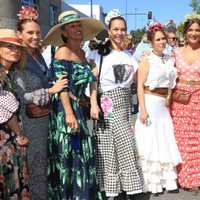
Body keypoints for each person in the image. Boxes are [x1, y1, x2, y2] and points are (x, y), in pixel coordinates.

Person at [43, 10, 105, 199]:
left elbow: (92, 80)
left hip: (77, 107)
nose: (77, 29)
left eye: (79, 25)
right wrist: (69, 113)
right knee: (71, 152)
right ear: (64, 32)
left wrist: (93, 103)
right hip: (65, 109)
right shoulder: (63, 51)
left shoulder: (83, 53)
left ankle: (81, 194)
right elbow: (62, 86)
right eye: (72, 26)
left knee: (80, 152)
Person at [11, 6, 68, 200]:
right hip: (30, 122)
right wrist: (50, 91)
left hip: (44, 119)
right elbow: (20, 96)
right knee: (35, 166)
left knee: (42, 164)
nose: (35, 36)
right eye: (30, 33)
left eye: (37, 32)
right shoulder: (18, 58)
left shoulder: (37, 55)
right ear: (19, 34)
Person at [88, 9, 143, 199]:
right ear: (109, 31)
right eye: (116, 29)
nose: (119, 33)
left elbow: (137, 81)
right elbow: (92, 81)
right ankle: (118, 188)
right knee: (115, 145)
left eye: (123, 29)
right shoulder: (99, 54)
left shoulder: (129, 55)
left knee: (120, 144)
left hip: (125, 104)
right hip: (107, 103)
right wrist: (93, 104)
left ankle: (124, 187)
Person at [135, 20, 182, 194]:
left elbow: (171, 83)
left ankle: (165, 181)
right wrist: (143, 109)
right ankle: (150, 182)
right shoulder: (147, 59)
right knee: (150, 141)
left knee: (164, 138)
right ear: (151, 42)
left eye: (164, 39)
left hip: (164, 105)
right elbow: (139, 85)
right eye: (158, 39)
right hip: (150, 101)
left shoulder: (170, 59)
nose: (162, 42)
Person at [170, 13, 200, 194]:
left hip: (198, 99)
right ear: (185, 31)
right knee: (181, 140)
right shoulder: (176, 52)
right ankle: (182, 177)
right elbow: (165, 68)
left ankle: (195, 178)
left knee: (196, 141)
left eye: (197, 30)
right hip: (180, 102)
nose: (194, 33)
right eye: (191, 30)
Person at [0, 29, 30, 199]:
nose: (14, 50)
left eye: (18, 48)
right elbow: (3, 108)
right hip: (5, 138)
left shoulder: (8, 73)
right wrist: (19, 134)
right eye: (9, 46)